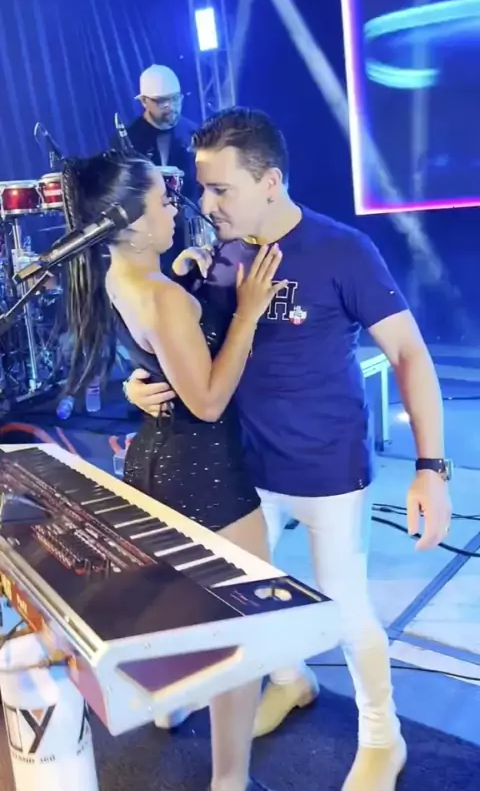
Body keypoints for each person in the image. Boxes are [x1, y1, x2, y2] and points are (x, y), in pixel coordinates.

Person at [125, 107, 453, 791]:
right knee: (247, 602)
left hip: (328, 468)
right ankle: (290, 680)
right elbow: (192, 350)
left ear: (270, 181)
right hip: (244, 469)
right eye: (202, 187)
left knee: (345, 610)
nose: (206, 203)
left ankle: (382, 735)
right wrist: (141, 382)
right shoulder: (220, 255)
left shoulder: (341, 251)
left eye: (221, 189)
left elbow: (409, 353)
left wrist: (430, 468)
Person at [61, 149, 285, 791]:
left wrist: (185, 288)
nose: (177, 209)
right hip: (205, 470)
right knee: (243, 632)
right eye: (164, 201)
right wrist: (246, 313)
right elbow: (208, 401)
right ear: (131, 222)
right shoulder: (161, 297)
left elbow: (154, 355)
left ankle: (170, 706)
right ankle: (229, 778)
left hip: (155, 462)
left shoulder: (119, 277)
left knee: (186, 605)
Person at [111, 64, 198, 268]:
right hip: (148, 237)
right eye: (161, 101)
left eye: (175, 98)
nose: (170, 106)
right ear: (144, 101)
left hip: (189, 230)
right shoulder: (127, 139)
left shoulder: (195, 132)